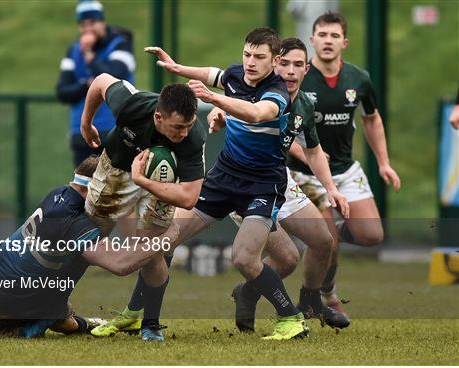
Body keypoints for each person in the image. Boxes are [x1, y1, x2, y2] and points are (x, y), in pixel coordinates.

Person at [96, 28, 347, 341]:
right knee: (163, 240)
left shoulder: (278, 92)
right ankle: (137, 315)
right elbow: (215, 73)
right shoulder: (238, 75)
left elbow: (258, 114)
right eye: (247, 55)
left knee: (246, 258)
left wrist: (214, 100)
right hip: (223, 179)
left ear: (274, 61)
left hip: (261, 186)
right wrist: (177, 68)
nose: (251, 62)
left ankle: (292, 317)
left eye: (259, 57)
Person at [216, 37, 349, 332]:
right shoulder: (260, 92)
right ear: (275, 64)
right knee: (287, 259)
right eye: (285, 63)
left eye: (297, 65)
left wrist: (332, 188)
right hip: (248, 184)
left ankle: (310, 300)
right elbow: (234, 103)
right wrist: (219, 113)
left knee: (323, 241)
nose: (290, 70)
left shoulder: (302, 105)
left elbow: (313, 151)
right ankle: (255, 297)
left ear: (307, 70)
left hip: (278, 178)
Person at [0, 155, 179, 338]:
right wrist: (168, 237)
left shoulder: (58, 194)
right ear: (94, 190)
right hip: (10, 300)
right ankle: (27, 323)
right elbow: (120, 265)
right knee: (65, 318)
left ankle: (10, 320)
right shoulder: (74, 223)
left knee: (74, 262)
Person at [287, 12, 401, 317]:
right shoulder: (298, 78)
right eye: (322, 35)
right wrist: (304, 152)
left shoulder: (359, 79)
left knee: (372, 236)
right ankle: (327, 293)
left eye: (334, 36)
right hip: (306, 172)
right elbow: (279, 126)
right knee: (329, 245)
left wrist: (384, 163)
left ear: (344, 42)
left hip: (345, 169)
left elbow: (371, 118)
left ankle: (333, 233)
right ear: (312, 40)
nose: (327, 41)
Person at [80, 74, 207, 341]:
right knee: (84, 236)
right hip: (116, 169)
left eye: (189, 125)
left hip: (163, 184)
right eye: (178, 127)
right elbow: (101, 81)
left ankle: (150, 323)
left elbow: (188, 198)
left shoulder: (193, 137)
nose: (184, 133)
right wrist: (86, 122)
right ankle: (51, 308)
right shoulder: (133, 105)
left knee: (150, 249)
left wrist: (142, 180)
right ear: (158, 117)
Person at [56, 0, 136, 167]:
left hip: (115, 131)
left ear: (102, 22)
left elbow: (115, 77)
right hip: (82, 133)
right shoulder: (73, 51)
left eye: (92, 23)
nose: (87, 29)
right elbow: (63, 91)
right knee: (83, 189)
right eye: (83, 25)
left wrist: (90, 57)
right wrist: (87, 85)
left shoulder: (120, 44)